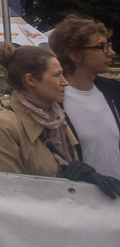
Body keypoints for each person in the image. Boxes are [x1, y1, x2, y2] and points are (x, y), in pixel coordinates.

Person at [0, 44, 120, 198]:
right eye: (57, 75)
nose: (65, 82)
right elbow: (10, 195)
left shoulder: (57, 116)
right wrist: (62, 183)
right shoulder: (6, 127)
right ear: (30, 80)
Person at [49, 16, 120, 179]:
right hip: (83, 199)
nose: (111, 52)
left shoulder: (114, 91)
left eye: (108, 45)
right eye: (101, 47)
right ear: (76, 55)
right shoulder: (52, 100)